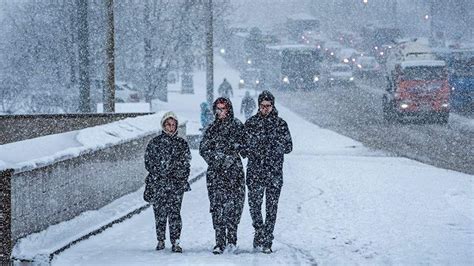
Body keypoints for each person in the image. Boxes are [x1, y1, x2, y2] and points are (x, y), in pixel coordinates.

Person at [244, 90, 293, 254]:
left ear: (273, 106)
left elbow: (289, 147)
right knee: (254, 206)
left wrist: (274, 146)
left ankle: (267, 238)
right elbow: (243, 148)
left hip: (274, 173)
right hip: (255, 172)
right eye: (263, 106)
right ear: (258, 106)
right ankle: (259, 230)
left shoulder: (280, 124)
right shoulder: (251, 123)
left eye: (268, 106)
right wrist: (253, 147)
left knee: (271, 208)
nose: (265, 108)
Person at [199, 97, 246, 254]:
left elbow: (245, 146)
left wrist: (233, 152)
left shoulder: (237, 126)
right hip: (216, 174)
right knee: (217, 207)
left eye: (223, 108)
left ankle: (232, 239)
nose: (220, 112)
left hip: (234, 172)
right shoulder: (211, 129)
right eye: (218, 109)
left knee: (234, 205)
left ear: (228, 109)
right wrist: (218, 159)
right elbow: (204, 149)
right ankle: (219, 241)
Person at [144, 111, 191, 253]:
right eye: (168, 124)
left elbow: (186, 164)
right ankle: (160, 239)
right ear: (163, 125)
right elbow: (148, 162)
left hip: (176, 185)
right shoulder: (155, 143)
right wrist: (160, 172)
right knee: (159, 213)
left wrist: (179, 176)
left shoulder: (181, 143)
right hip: (158, 184)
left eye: (173, 125)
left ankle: (175, 241)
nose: (170, 127)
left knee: (175, 213)